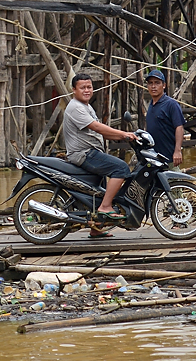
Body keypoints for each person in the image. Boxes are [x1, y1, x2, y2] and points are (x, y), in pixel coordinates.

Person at [62, 72, 136, 236]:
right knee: (121, 168)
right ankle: (105, 207)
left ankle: (96, 228)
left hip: (91, 152)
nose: (87, 90)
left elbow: (102, 132)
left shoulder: (86, 106)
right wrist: (123, 134)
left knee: (99, 191)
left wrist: (126, 136)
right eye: (82, 88)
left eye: (89, 87)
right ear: (74, 90)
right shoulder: (75, 107)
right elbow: (96, 127)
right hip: (84, 154)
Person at [144, 69, 186, 165]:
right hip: (154, 157)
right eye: (150, 83)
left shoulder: (171, 104)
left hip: (168, 157)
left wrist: (177, 151)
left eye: (157, 83)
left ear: (164, 85)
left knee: (173, 174)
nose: (153, 86)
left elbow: (179, 127)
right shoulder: (151, 104)